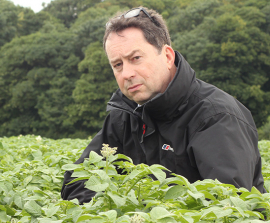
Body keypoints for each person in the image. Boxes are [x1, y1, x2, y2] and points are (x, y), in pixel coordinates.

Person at [61, 6, 266, 204]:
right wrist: (124, 219)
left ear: (167, 56)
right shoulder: (125, 115)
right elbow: (76, 182)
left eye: (136, 58)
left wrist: (145, 221)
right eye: (118, 65)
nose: (127, 74)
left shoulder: (216, 117)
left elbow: (229, 209)